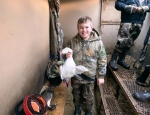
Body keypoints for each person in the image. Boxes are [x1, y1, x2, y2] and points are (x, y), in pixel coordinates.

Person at [66, 16, 107, 115]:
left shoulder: (98, 43)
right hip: (75, 76)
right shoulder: (71, 42)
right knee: (76, 94)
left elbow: (103, 59)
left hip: (89, 76)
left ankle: (88, 111)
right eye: (81, 27)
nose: (84, 30)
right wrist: (67, 57)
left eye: (86, 27)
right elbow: (66, 61)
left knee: (88, 96)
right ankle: (77, 108)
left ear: (91, 28)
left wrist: (101, 76)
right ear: (77, 28)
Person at [109, 0, 150, 71]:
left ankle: (121, 59)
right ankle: (113, 60)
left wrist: (146, 7)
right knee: (122, 41)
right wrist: (126, 7)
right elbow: (117, 4)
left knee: (130, 42)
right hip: (127, 21)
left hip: (139, 22)